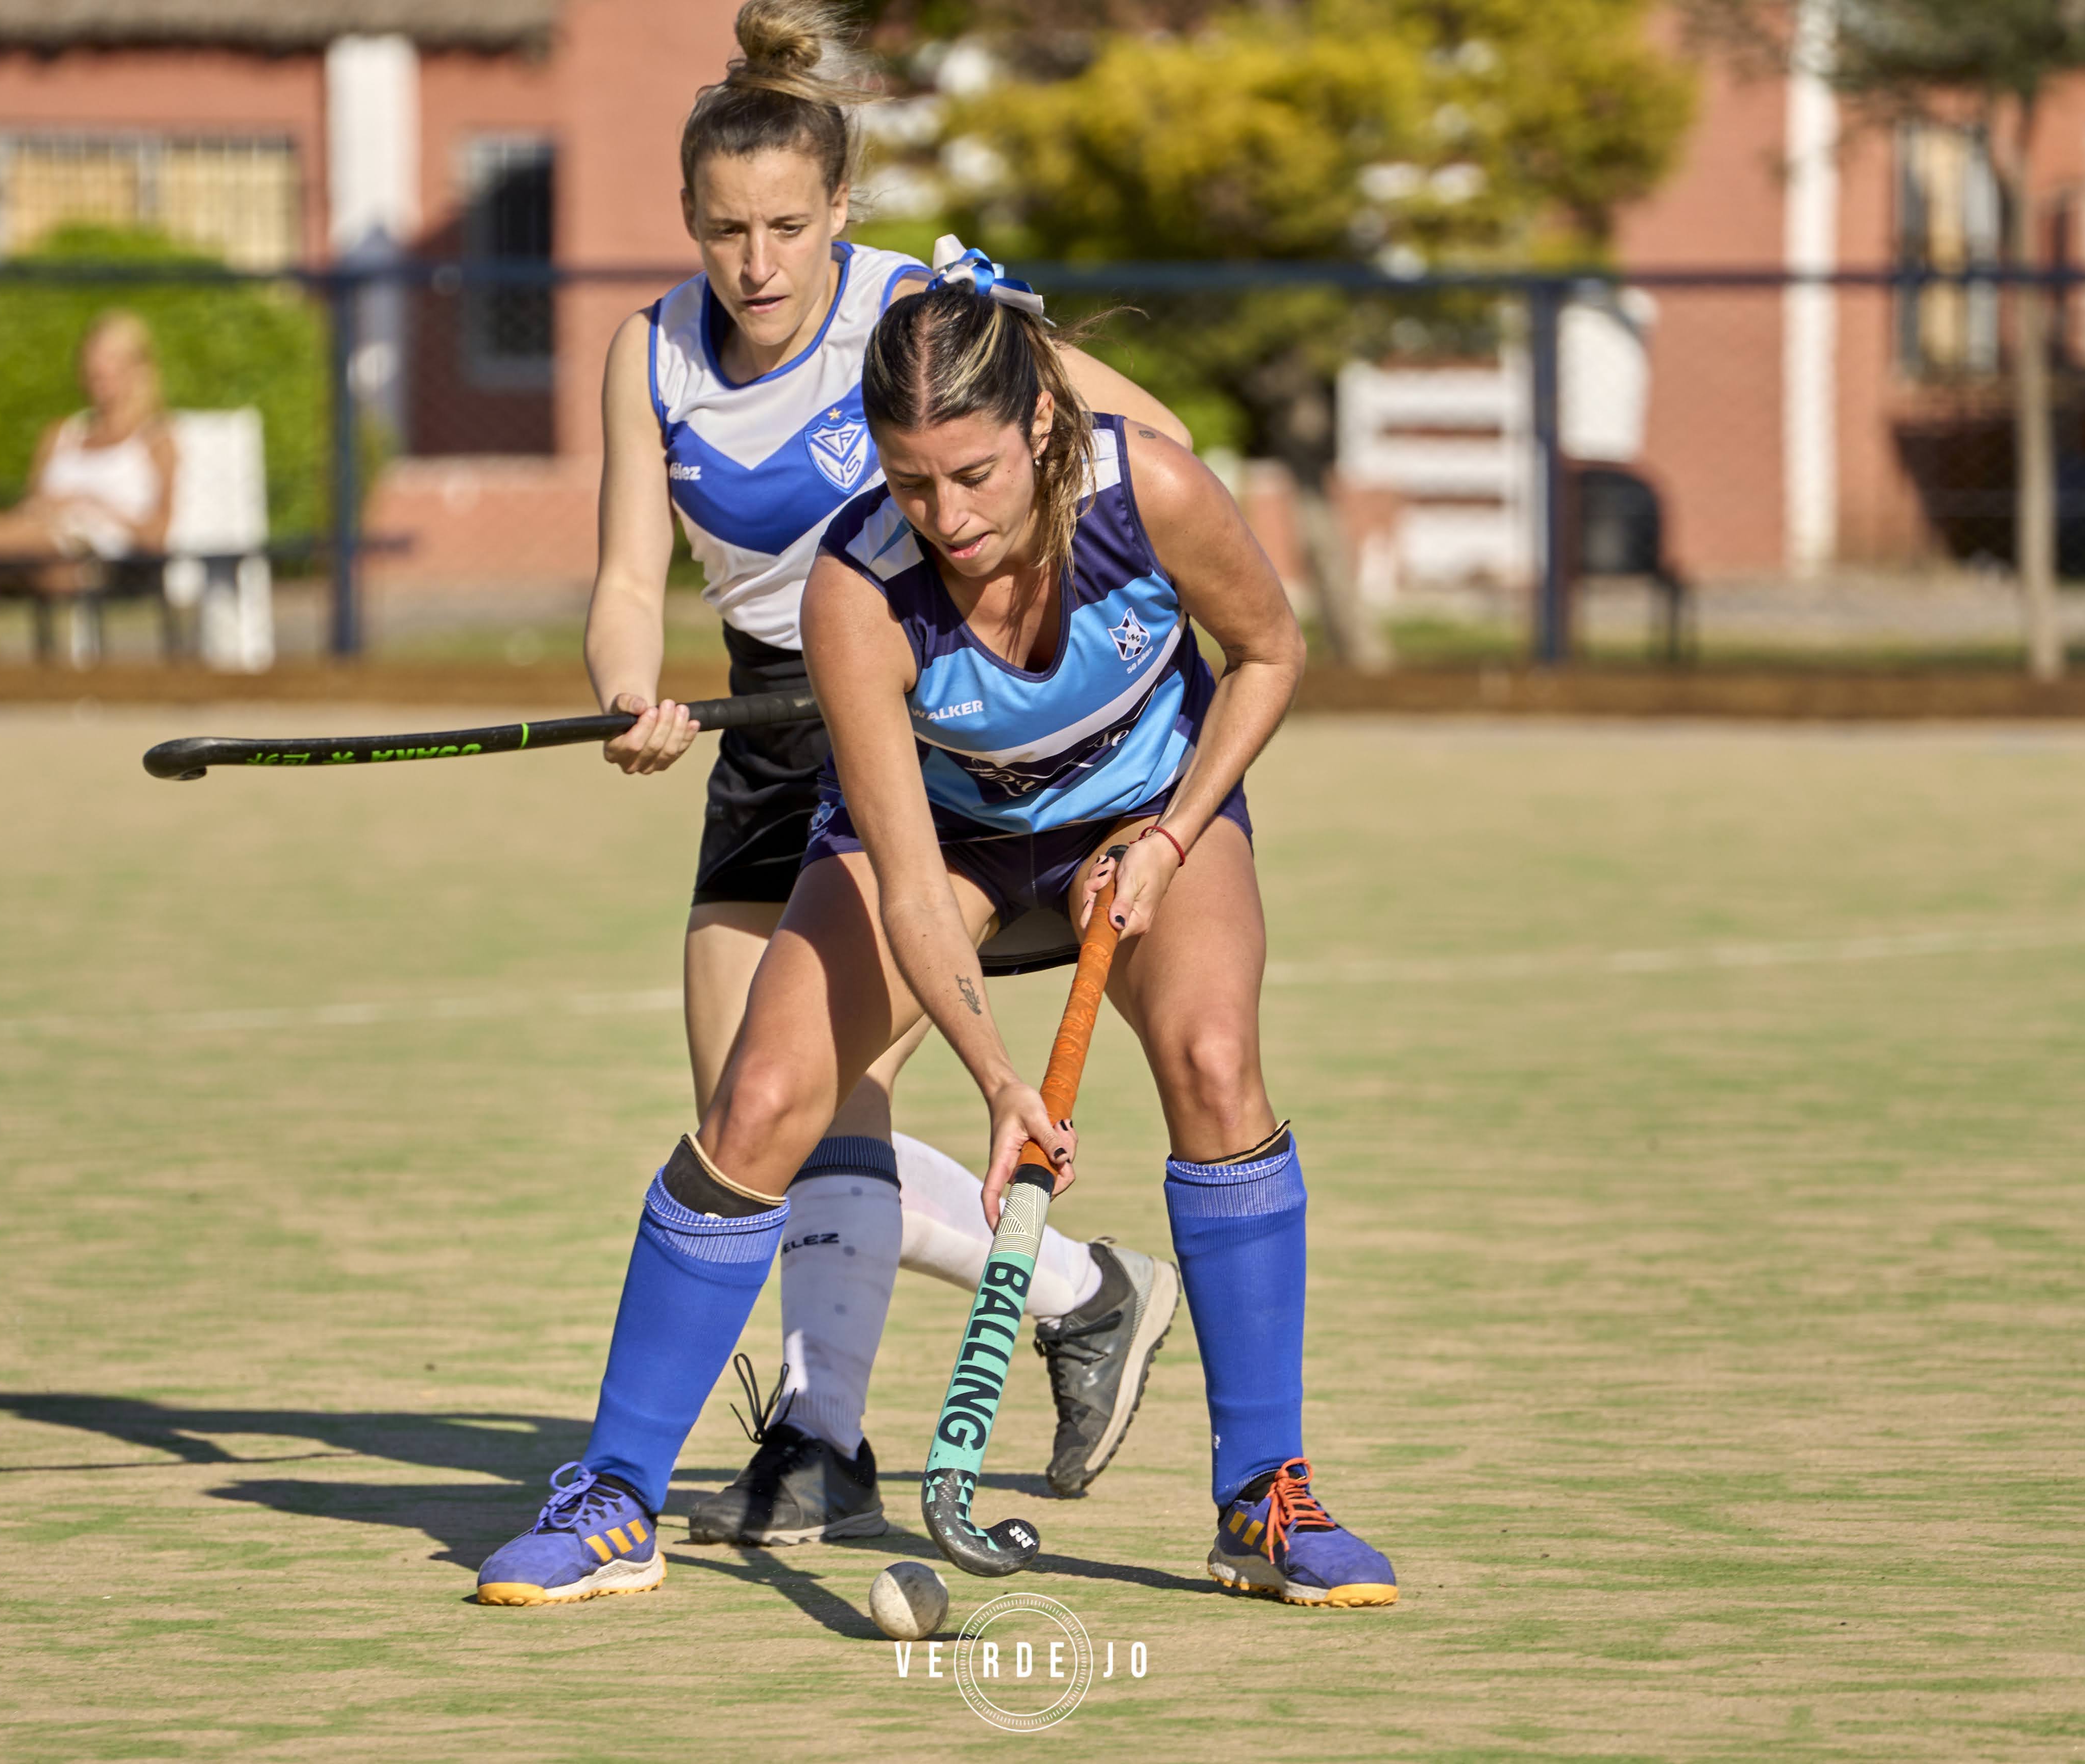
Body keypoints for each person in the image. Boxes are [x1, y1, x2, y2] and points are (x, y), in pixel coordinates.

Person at [473, 246, 1396, 1611]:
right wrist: (996, 1079)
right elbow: (908, 886)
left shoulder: (1149, 491)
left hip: (1145, 804)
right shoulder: (857, 588)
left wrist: (1171, 833)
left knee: (1212, 1066)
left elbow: (1268, 653)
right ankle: (615, 1496)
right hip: (951, 840)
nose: (945, 516)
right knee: (763, 1101)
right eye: (909, 482)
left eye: (971, 477)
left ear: (1038, 427)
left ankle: (1263, 1497)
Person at [574, 0, 1187, 1552]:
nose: (756, 262)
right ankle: (1080, 1289)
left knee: (826, 1099)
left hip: (918, 727)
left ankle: (821, 1436)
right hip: (755, 731)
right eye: (725, 230)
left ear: (840, 211)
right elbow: (626, 578)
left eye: (787, 225)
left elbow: (1139, 444)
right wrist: (625, 691)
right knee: (746, 1117)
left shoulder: (917, 316)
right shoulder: (647, 352)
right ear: (688, 223)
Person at [0, 310, 177, 573]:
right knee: (21, 533)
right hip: (39, 537)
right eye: (93, 359)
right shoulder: (61, 433)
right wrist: (47, 506)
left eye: (112, 359)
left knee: (37, 541)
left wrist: (93, 506)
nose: (99, 368)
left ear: (138, 367)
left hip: (99, 556)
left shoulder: (156, 440)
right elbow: (27, 509)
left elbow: (158, 536)